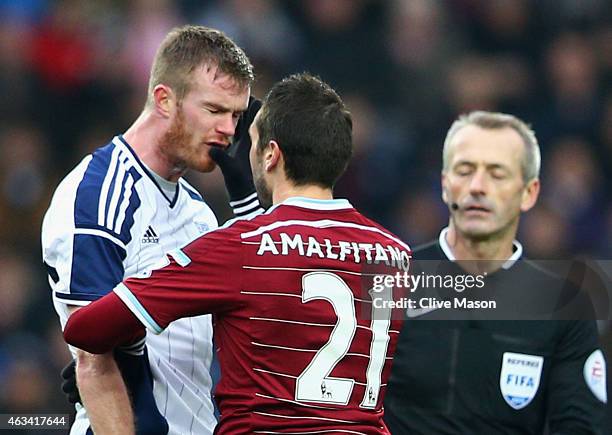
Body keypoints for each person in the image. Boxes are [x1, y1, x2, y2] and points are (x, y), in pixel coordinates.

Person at [62, 73, 412, 434]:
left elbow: (86, 329)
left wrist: (128, 358)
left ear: (271, 155)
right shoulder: (396, 255)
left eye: (254, 142)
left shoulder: (238, 248)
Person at [41, 25, 260, 435]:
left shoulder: (199, 213)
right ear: (164, 99)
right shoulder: (98, 196)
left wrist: (249, 203)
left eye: (236, 115)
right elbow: (94, 362)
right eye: (214, 110)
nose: (229, 131)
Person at [384, 111, 607, 434]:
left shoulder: (564, 305)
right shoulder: (390, 282)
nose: (477, 186)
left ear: (529, 193)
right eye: (465, 170)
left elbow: (582, 427)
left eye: (497, 174)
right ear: (445, 186)